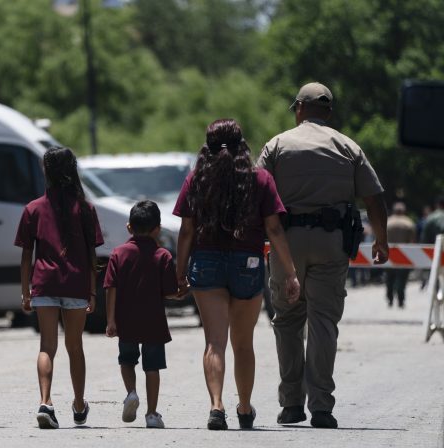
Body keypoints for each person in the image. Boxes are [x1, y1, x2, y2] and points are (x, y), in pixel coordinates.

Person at [257, 82, 389, 429]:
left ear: (299, 108)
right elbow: (374, 198)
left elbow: (258, 194)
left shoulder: (277, 145)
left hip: (287, 244)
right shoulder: (348, 146)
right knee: (323, 322)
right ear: (328, 113)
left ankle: (290, 405)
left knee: (287, 321)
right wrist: (382, 240)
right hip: (332, 242)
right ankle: (321, 407)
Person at [174, 118, 300, 431]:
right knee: (243, 344)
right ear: (242, 143)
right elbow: (273, 228)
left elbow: (187, 231)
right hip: (248, 263)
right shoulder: (260, 179)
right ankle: (244, 408)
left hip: (206, 261)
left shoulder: (196, 180)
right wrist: (290, 273)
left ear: (208, 145)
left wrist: (178, 273)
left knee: (214, 343)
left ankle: (216, 406)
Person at [15, 146, 104, 429]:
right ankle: (79, 405)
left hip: (44, 284)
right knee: (75, 346)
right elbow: (92, 255)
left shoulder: (33, 209)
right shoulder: (86, 208)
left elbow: (26, 256)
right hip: (76, 284)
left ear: (46, 172)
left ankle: (46, 401)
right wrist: (92, 291)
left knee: (47, 346)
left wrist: (26, 291)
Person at [104, 200, 181, 429]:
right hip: (153, 322)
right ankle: (151, 413)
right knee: (152, 367)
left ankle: (131, 393)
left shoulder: (118, 254)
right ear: (157, 228)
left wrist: (111, 319)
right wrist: (181, 292)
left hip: (126, 320)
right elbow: (169, 292)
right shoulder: (163, 255)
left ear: (129, 227)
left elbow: (110, 287)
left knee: (127, 360)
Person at [385, 202, 416, 308]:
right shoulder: (408, 223)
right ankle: (401, 300)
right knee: (402, 279)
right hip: (404, 255)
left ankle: (390, 299)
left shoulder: (388, 222)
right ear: (403, 211)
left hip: (389, 253)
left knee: (389, 278)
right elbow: (412, 241)